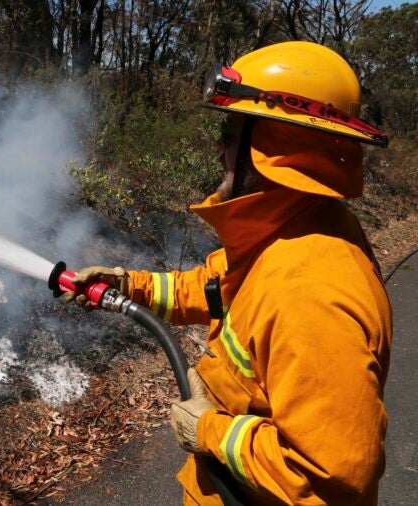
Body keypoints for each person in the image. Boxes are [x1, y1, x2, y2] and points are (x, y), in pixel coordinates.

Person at [65, 41, 392, 505]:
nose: (220, 146)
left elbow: (331, 479)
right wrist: (126, 285)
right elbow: (212, 287)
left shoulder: (312, 291)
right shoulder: (293, 231)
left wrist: (210, 431)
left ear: (274, 146)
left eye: (232, 129)